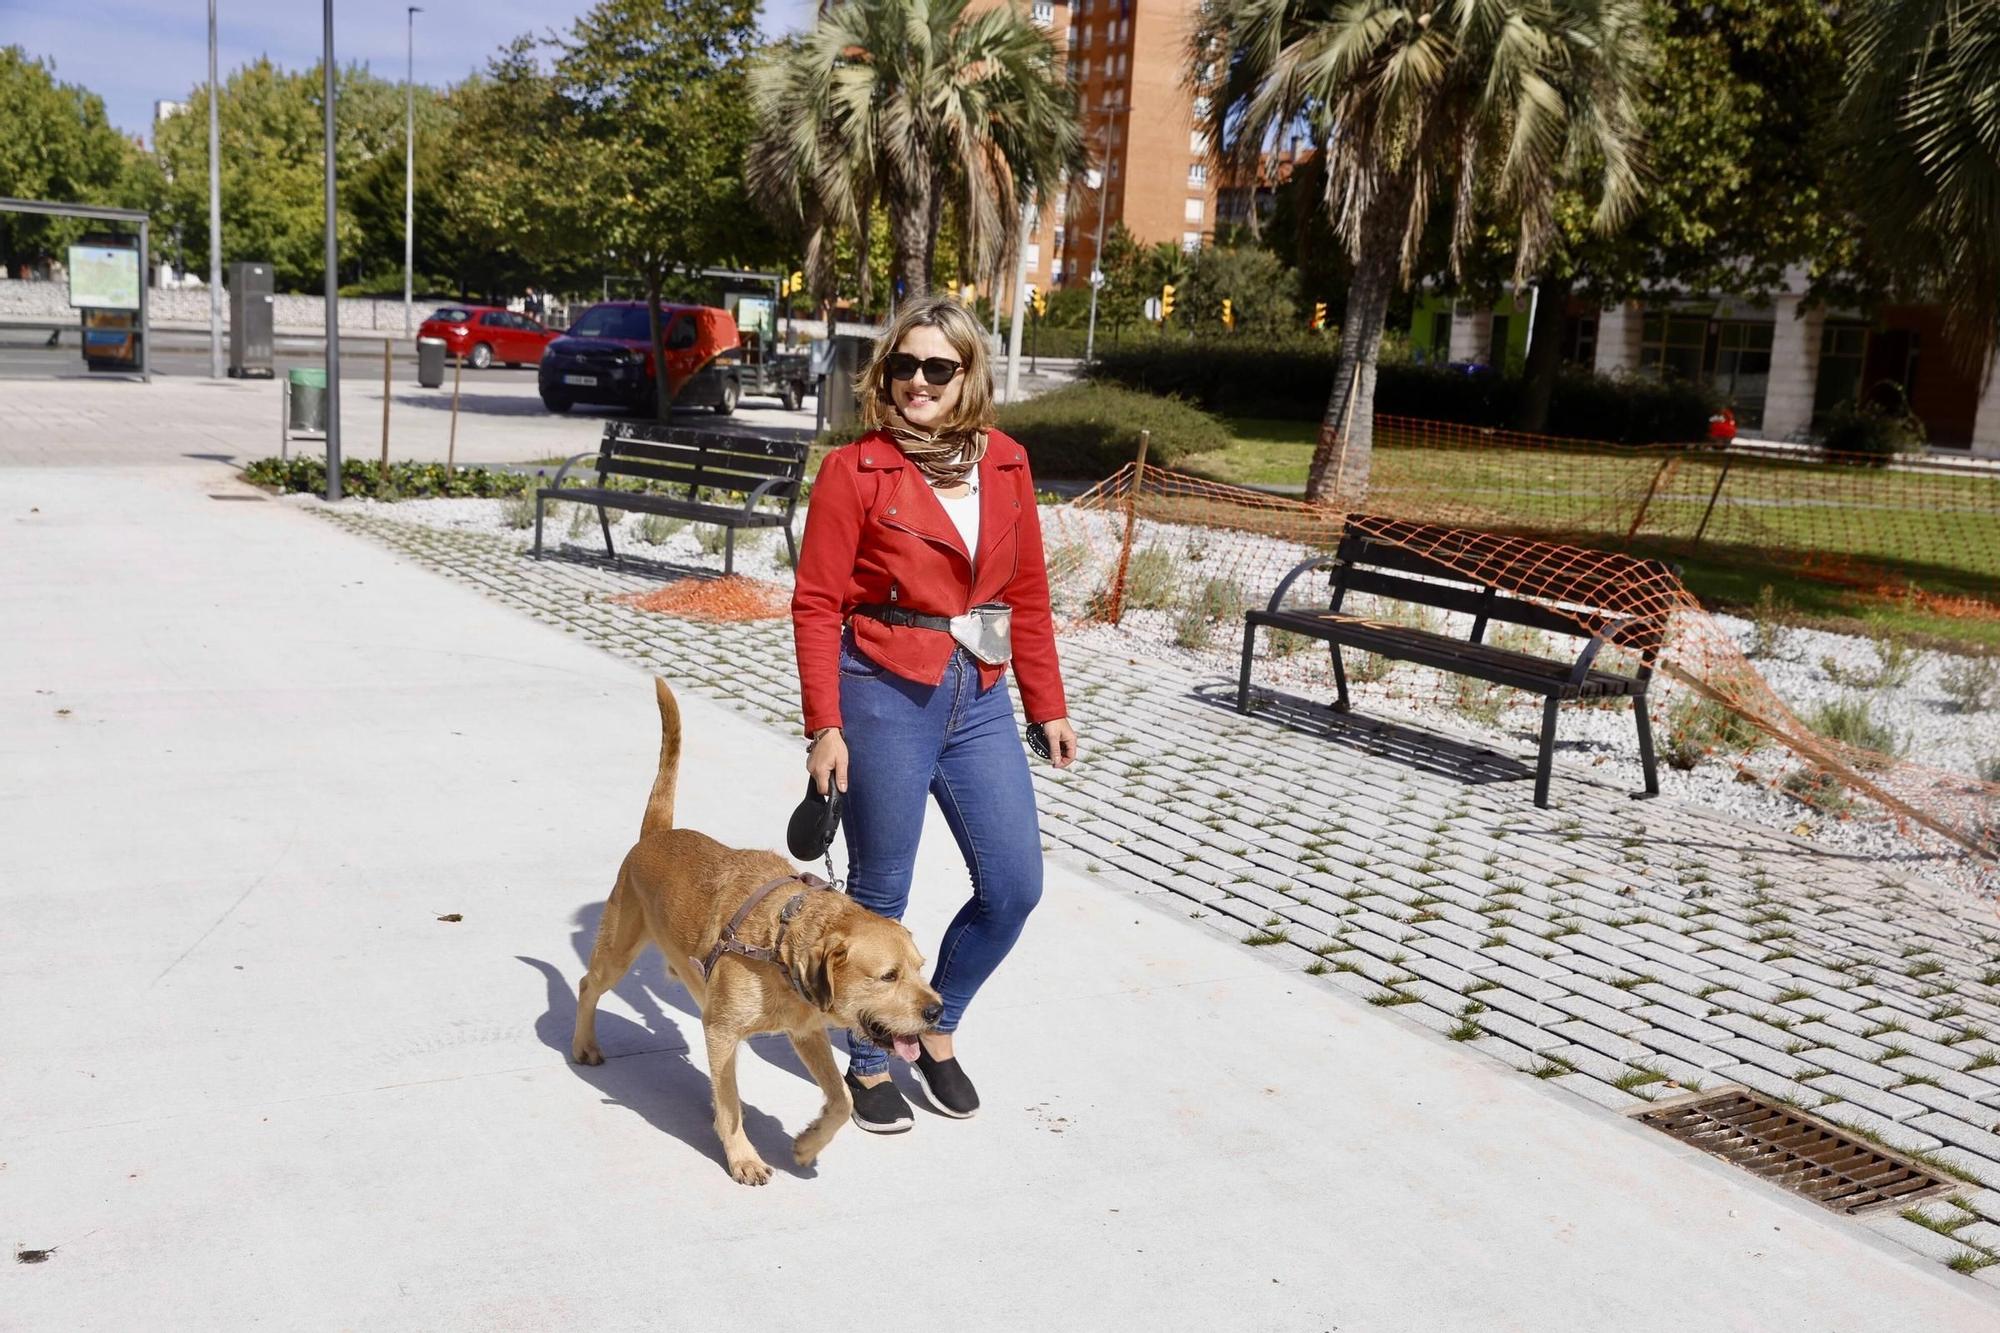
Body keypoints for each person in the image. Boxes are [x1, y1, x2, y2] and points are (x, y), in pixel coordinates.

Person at [791, 294, 1079, 1134]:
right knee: (881, 892)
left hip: (980, 694)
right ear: (886, 376)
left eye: (938, 368)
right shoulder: (857, 469)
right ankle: (871, 1057)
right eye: (904, 366)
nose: (919, 381)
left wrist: (1046, 702)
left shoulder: (1008, 464)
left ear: (968, 376)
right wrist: (825, 723)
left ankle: (936, 1025)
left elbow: (1025, 593)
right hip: (884, 689)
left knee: (1014, 885)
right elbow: (814, 604)